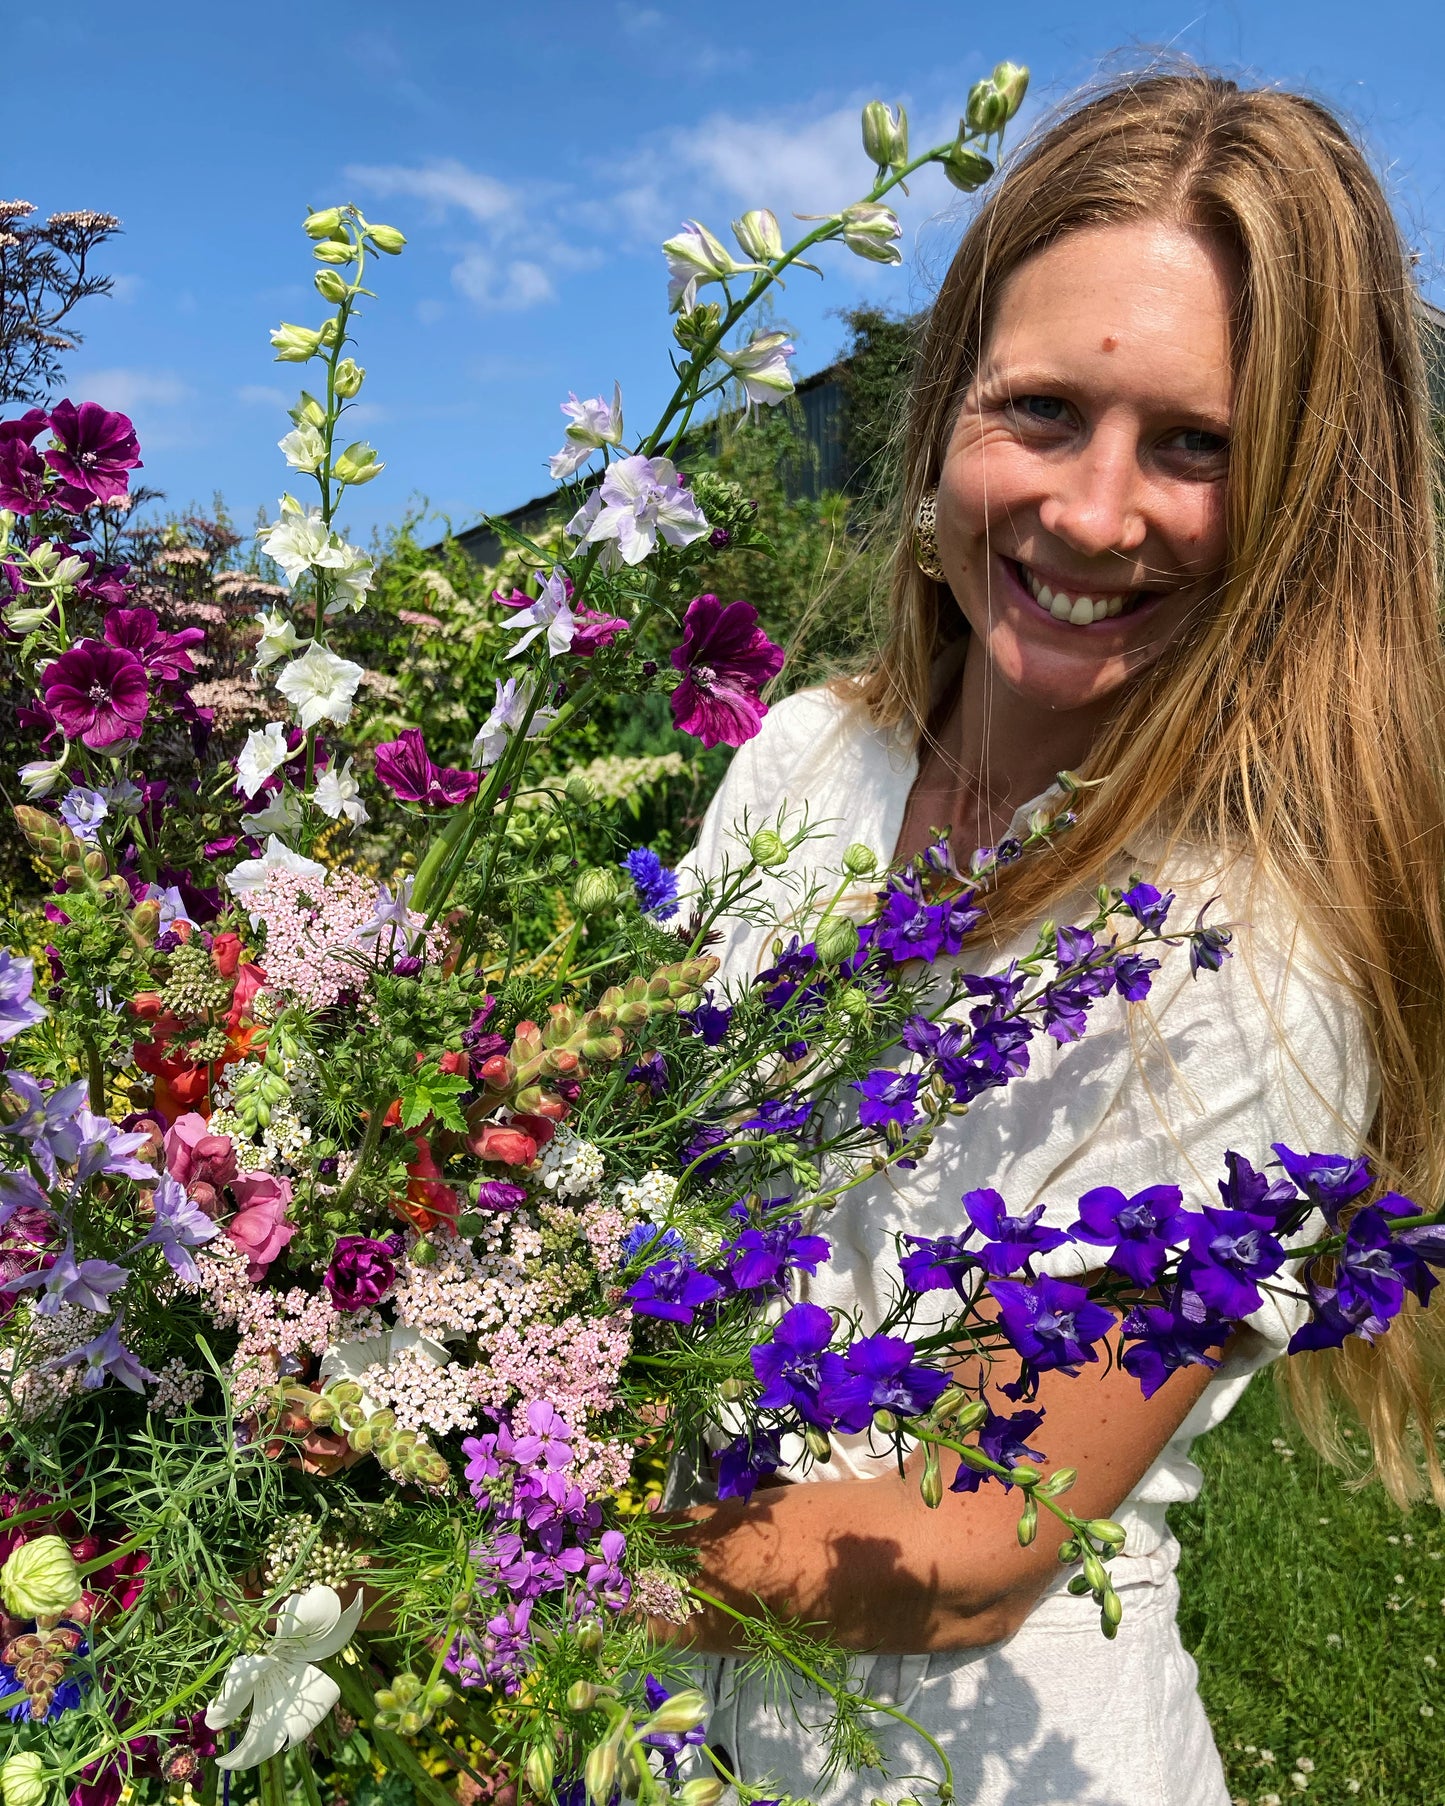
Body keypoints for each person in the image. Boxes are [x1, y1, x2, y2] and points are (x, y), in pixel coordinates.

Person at [663, 69, 1445, 1806]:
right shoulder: (808, 756)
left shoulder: (1248, 947)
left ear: (1307, 499)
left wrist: (514, 1547)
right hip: (678, 1731)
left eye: (1196, 445)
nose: (1095, 515)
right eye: (1039, 412)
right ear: (945, 414)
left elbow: (973, 1547)